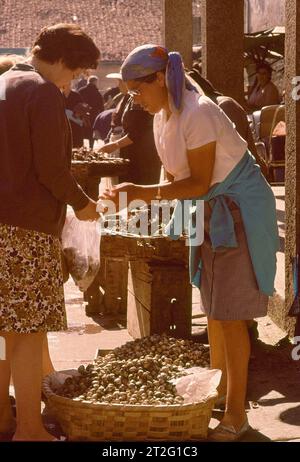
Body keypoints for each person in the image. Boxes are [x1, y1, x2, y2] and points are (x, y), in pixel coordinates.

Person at [100, 44, 279, 441]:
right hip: (210, 207)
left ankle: (237, 415)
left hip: (236, 209)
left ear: (160, 79)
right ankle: (216, 391)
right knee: (214, 308)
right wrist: (147, 208)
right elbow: (174, 179)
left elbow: (196, 182)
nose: (135, 99)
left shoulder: (198, 113)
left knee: (232, 317)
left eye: (137, 90)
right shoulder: (162, 115)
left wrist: (142, 195)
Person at [0, 23, 100, 441]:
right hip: (25, 227)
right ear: (60, 60)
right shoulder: (40, 91)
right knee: (26, 333)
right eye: (75, 74)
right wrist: (83, 203)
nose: (72, 83)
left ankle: (5, 420)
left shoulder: (4, 81)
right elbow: (52, 169)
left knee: (5, 331)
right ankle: (28, 428)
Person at [79, 75, 104, 148]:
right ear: (95, 82)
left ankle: (80, 147)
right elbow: (101, 106)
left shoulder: (81, 90)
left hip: (82, 115)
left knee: (82, 131)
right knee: (91, 132)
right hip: (93, 115)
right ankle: (91, 147)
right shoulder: (97, 92)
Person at [63, 82, 86, 148]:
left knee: (76, 142)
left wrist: (77, 114)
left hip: (75, 122)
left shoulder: (76, 95)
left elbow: (83, 107)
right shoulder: (60, 95)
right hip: (64, 122)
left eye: (68, 84)